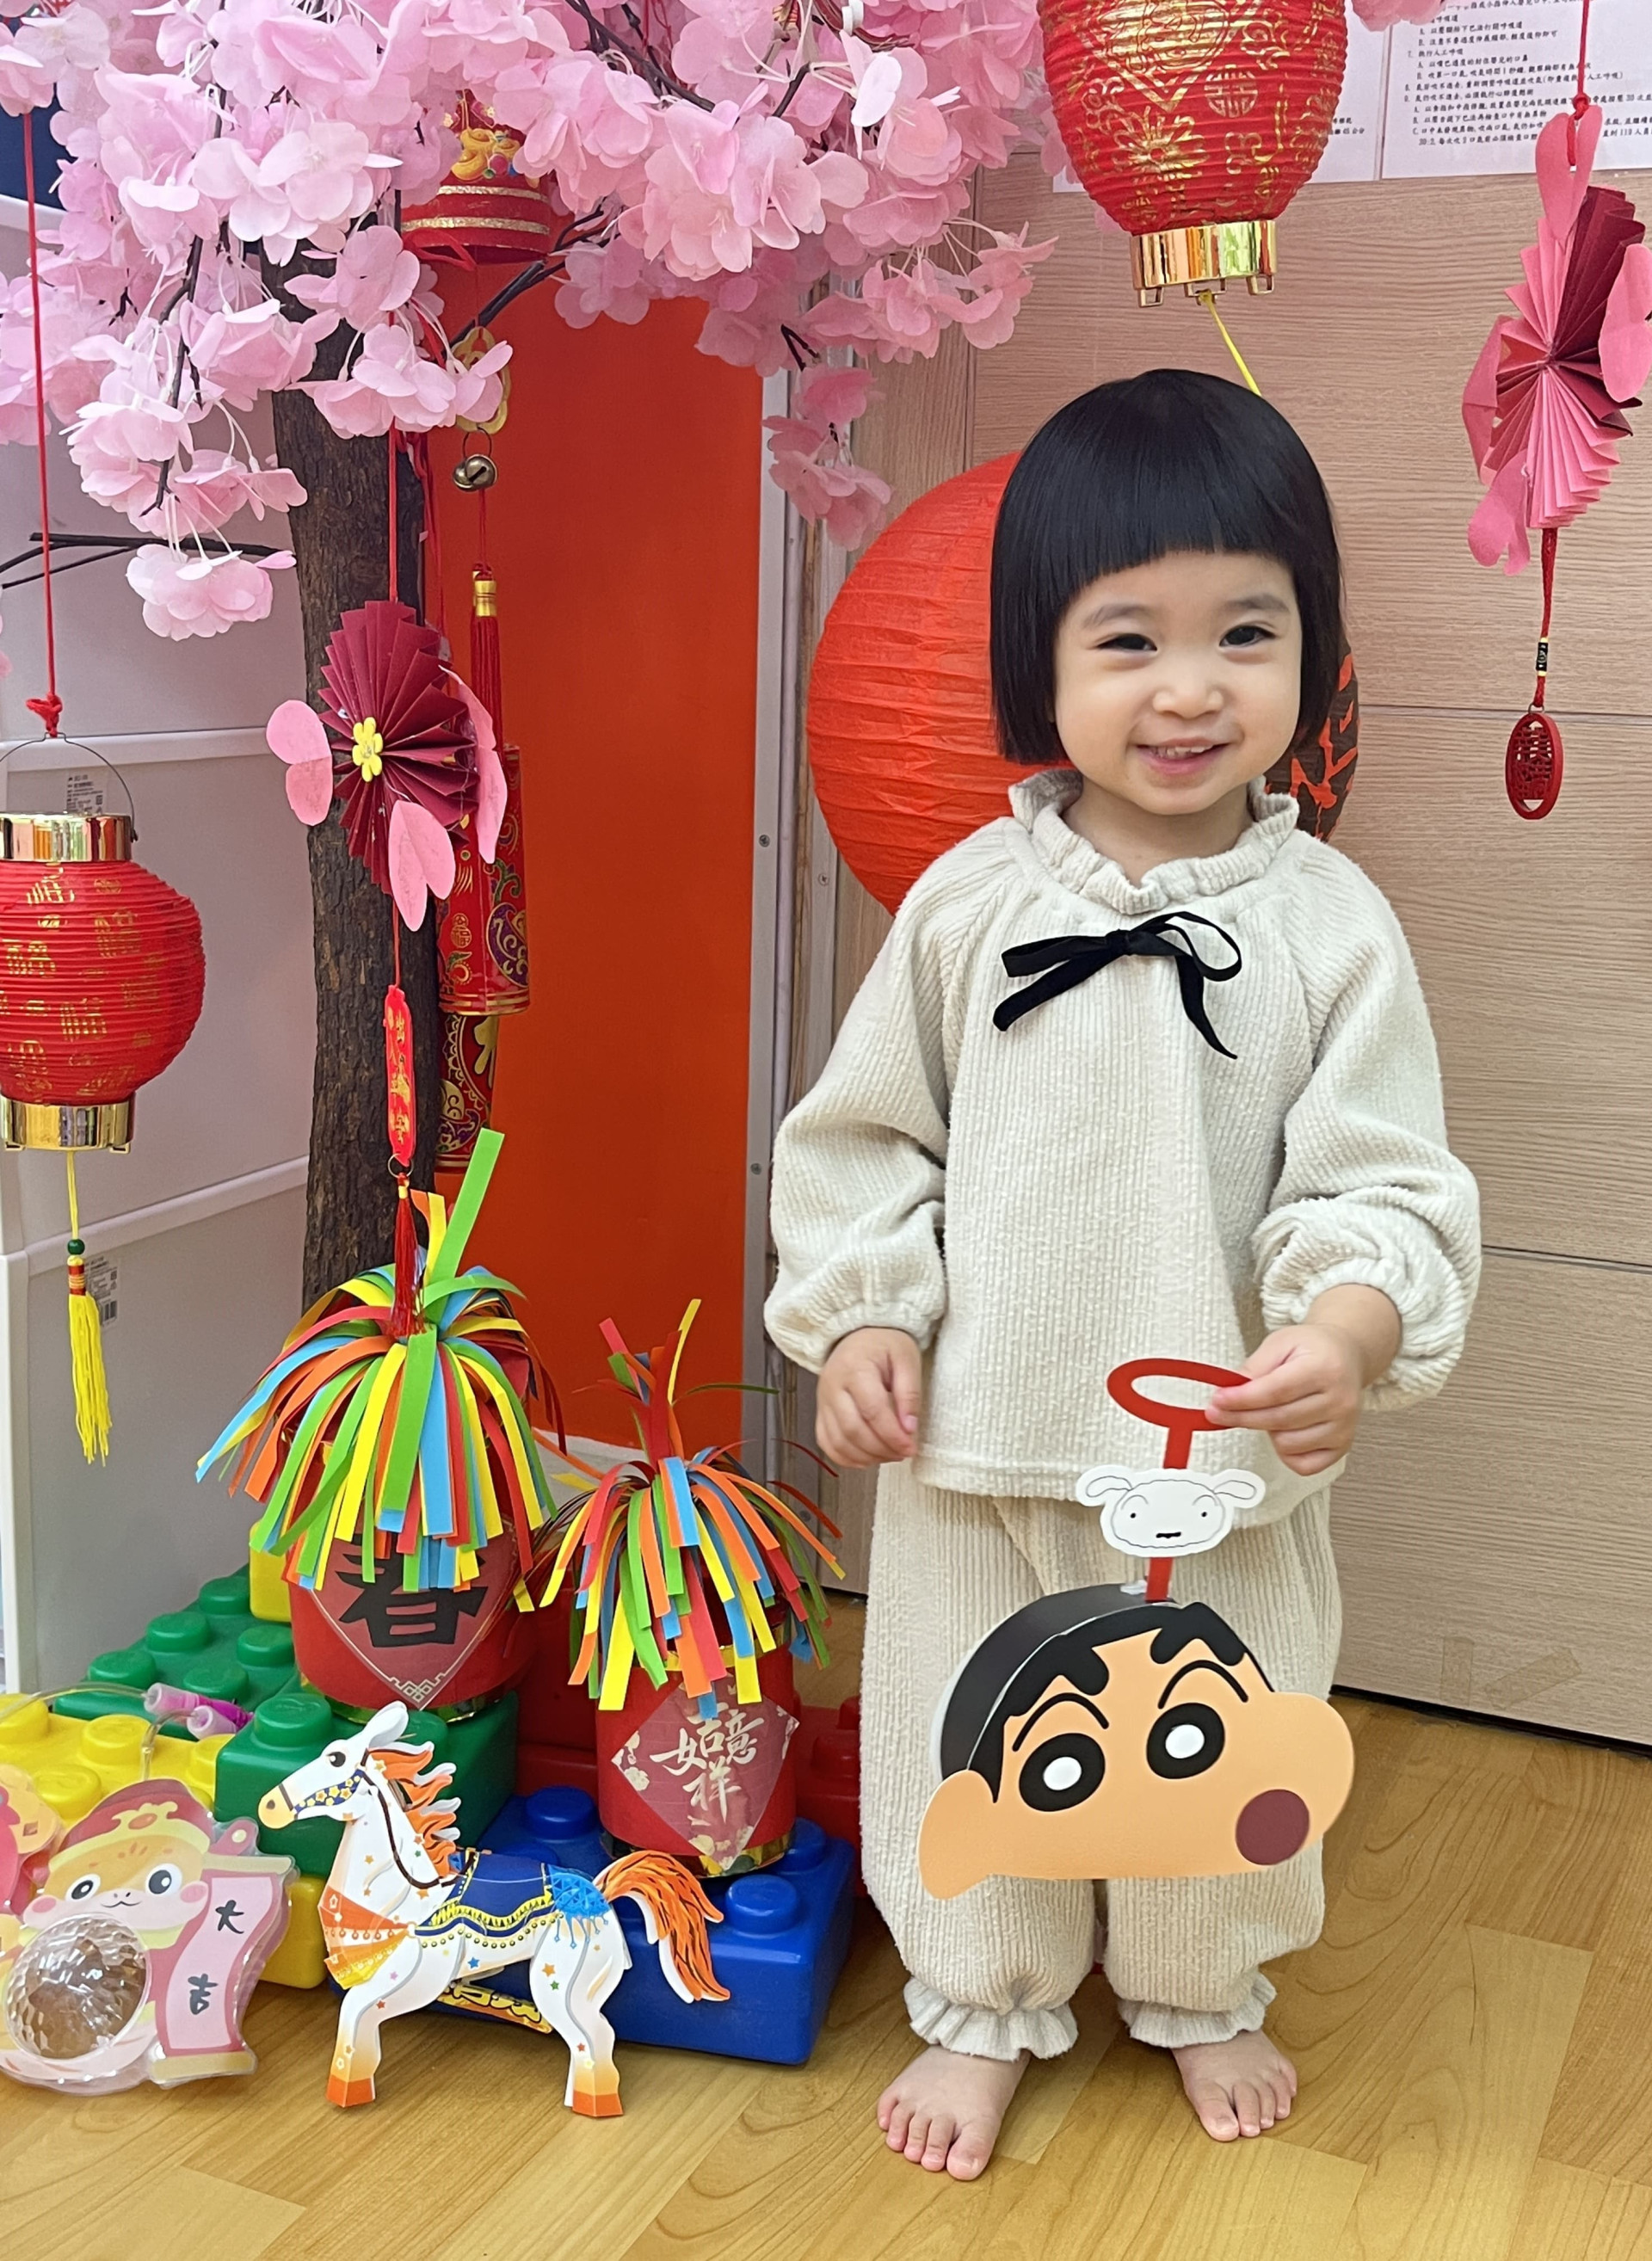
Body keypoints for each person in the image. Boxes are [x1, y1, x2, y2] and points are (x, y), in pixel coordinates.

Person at [765, 369, 1481, 2178]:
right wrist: (864, 1315)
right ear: (1040, 663)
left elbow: (1380, 1173)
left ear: (1314, 653)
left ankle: (1203, 1986)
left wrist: (1348, 1326)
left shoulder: (1331, 929)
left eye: (1246, 632)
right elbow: (867, 1144)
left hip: (1215, 1464)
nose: (1189, 689)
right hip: (976, 1447)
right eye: (1129, 639)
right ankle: (979, 2002)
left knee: (1224, 1732)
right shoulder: (965, 908)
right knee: (967, 1729)